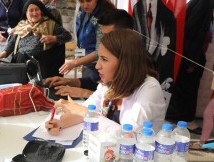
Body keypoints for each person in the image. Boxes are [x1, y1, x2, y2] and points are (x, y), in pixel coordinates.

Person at [45, 29, 166, 134]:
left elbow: (128, 135)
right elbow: (87, 112)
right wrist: (60, 123)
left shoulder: (150, 88)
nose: (97, 66)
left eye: (104, 59)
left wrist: (82, 111)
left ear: (125, 63)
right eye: (99, 58)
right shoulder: (109, 83)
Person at [44, 9, 133, 99]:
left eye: (108, 36)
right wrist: (67, 81)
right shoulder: (111, 57)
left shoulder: (137, 73)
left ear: (125, 35)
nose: (97, 66)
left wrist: (84, 93)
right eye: (102, 36)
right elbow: (91, 81)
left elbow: (117, 104)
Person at [166, 0, 214, 134]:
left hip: (189, 53)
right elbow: (192, 30)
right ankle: (184, 120)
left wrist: (191, 59)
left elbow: (193, 31)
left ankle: (185, 120)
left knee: (187, 89)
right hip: (188, 53)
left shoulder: (201, 3)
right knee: (185, 89)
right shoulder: (201, 2)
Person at [0, 0, 72, 78]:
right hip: (21, 67)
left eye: (37, 10)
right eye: (31, 10)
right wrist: (4, 52)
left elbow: (67, 36)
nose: (34, 13)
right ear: (26, 13)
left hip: (41, 69)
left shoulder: (50, 24)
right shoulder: (22, 25)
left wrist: (54, 38)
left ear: (41, 11)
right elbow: (13, 42)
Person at [58, 0, 115, 91]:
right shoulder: (82, 10)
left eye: (88, 1)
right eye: (81, 1)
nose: (85, 5)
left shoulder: (103, 16)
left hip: (97, 64)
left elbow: (99, 51)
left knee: (94, 90)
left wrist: (75, 63)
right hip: (86, 61)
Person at [132, 0, 176, 83]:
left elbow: (170, 53)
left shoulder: (168, 14)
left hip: (158, 72)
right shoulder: (136, 9)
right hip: (137, 69)